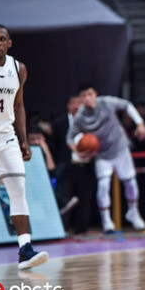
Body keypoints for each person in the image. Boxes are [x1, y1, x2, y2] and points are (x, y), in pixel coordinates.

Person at [0, 25, 48, 271]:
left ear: (9, 43)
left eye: (2, 39)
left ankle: (25, 249)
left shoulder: (19, 69)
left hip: (6, 138)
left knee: (18, 188)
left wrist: (23, 139)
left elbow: (18, 105)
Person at [67, 83, 145, 233]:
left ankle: (133, 211)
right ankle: (106, 221)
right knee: (104, 185)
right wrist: (78, 152)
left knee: (130, 181)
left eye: (90, 94)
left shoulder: (107, 102)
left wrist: (140, 123)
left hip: (120, 148)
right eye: (84, 96)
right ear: (81, 99)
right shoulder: (80, 117)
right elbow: (69, 138)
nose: (87, 98)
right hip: (102, 154)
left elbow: (127, 105)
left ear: (95, 94)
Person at [50, 95, 95, 234]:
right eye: (73, 103)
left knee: (85, 199)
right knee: (65, 199)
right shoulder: (59, 123)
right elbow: (54, 146)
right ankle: (62, 229)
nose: (76, 106)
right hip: (67, 166)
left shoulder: (90, 122)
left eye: (79, 103)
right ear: (68, 106)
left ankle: (82, 229)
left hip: (84, 166)